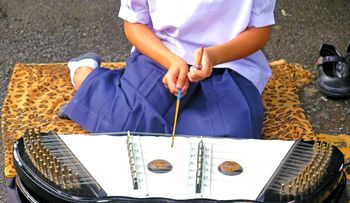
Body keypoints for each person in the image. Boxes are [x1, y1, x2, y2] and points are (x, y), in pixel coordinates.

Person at [62, 0, 276, 139]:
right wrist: (171, 61)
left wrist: (215, 55)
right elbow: (135, 25)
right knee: (125, 128)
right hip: (162, 56)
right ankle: (86, 75)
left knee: (228, 143)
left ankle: (118, 94)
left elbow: (258, 31)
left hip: (229, 63)